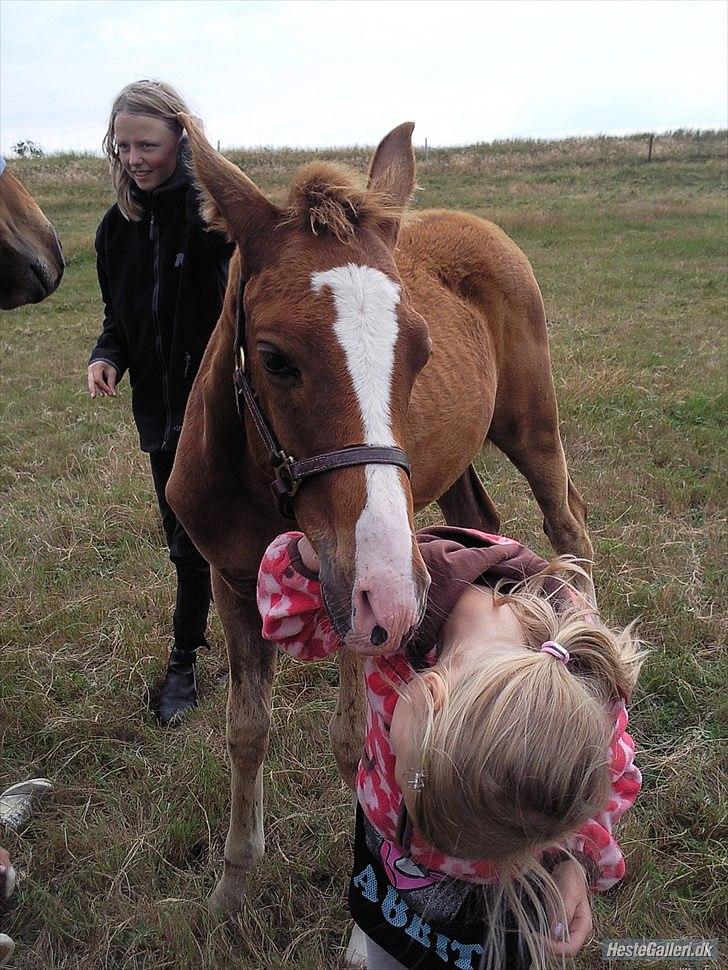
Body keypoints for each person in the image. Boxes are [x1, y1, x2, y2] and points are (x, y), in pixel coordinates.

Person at [256, 528, 645, 969]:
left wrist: (573, 858)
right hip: (387, 862)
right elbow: (293, 623)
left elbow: (609, 778)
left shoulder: (585, 688)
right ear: (429, 690)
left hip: (498, 892)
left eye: (405, 770)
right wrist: (324, 551)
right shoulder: (395, 604)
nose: (401, 774)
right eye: (403, 770)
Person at [87, 80, 234, 725]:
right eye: (122, 146)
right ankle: (186, 658)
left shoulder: (216, 221)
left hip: (226, 410)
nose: (134, 158)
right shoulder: (116, 230)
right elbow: (118, 319)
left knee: (258, 527)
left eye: (146, 144)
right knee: (185, 538)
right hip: (160, 416)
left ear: (182, 137)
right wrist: (107, 356)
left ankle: (287, 627)